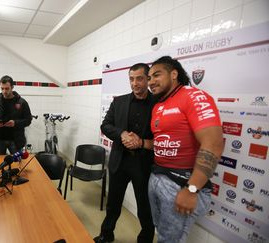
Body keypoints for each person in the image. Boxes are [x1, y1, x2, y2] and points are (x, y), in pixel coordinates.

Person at [147, 56, 223, 242]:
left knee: (170, 240)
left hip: (181, 182)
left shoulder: (193, 96)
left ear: (174, 74)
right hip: (157, 176)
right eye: (149, 77)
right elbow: (162, 140)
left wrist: (192, 189)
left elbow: (213, 144)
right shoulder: (158, 105)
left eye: (157, 75)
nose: (151, 82)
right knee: (161, 232)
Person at [95, 63, 156, 243]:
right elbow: (105, 125)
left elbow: (162, 136)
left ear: (148, 79)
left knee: (145, 208)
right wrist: (121, 134)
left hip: (143, 164)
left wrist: (141, 143)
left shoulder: (159, 104)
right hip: (119, 161)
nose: (135, 83)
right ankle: (106, 235)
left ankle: (145, 239)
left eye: (139, 78)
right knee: (113, 203)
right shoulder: (119, 101)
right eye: (131, 79)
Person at [0, 75, 32, 154]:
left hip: (16, 140)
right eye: (2, 88)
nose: (4, 91)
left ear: (12, 87)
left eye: (7, 88)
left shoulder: (22, 102)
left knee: (18, 163)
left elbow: (28, 120)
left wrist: (15, 123)